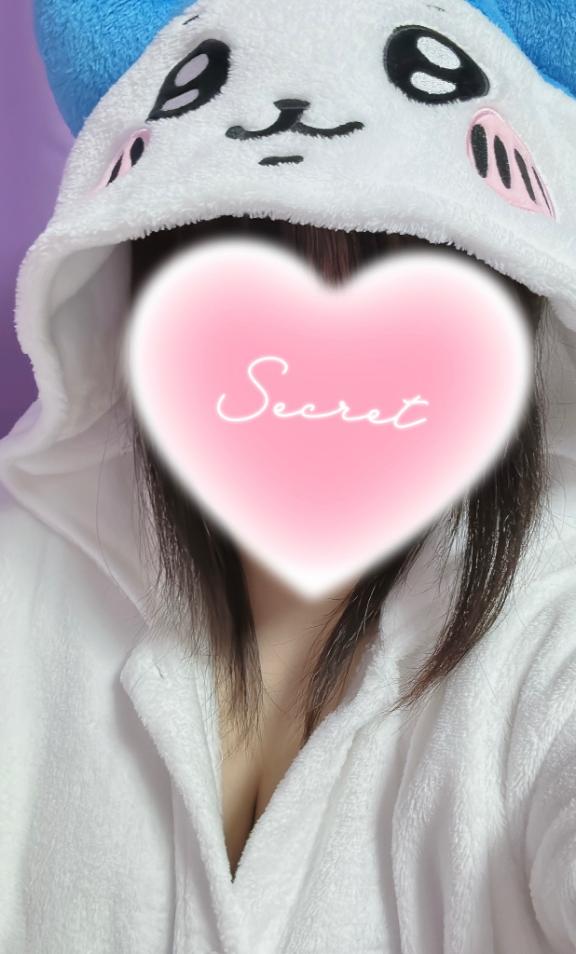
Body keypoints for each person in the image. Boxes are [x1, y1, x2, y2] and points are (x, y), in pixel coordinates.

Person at [1, 1, 575, 951]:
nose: (320, 386)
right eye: (239, 303)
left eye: (413, 308)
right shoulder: (23, 596)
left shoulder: (552, 627)